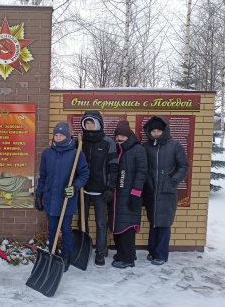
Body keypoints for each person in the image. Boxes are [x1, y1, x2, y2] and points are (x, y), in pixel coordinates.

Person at [35, 122, 89, 272]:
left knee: (66, 229)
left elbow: (84, 173)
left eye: (61, 135)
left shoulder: (76, 153)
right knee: (52, 228)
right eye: (56, 135)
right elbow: (43, 175)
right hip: (50, 198)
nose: (58, 138)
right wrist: (39, 193)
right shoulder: (47, 153)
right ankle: (53, 253)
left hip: (66, 199)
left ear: (67, 136)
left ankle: (67, 255)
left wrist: (75, 187)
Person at [142, 116, 189, 265]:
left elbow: (184, 166)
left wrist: (172, 181)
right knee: (153, 222)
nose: (156, 133)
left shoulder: (175, 146)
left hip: (167, 192)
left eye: (158, 131)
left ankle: (161, 255)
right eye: (153, 131)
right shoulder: (146, 147)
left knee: (163, 224)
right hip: (151, 191)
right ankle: (152, 251)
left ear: (164, 131)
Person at [79, 111, 119, 267]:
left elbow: (113, 167)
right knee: (83, 221)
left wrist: (110, 188)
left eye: (92, 123)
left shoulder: (108, 142)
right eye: (87, 123)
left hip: (101, 190)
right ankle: (84, 249)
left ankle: (100, 252)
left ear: (99, 124)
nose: (89, 126)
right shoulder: (80, 141)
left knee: (101, 223)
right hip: (83, 189)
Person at [109, 121, 147, 268]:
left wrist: (135, 193)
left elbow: (142, 172)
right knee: (118, 226)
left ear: (129, 135)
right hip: (117, 195)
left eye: (123, 135)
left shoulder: (138, 150)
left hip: (130, 195)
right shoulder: (118, 150)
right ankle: (124, 253)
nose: (120, 138)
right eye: (117, 135)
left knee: (127, 227)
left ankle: (128, 259)